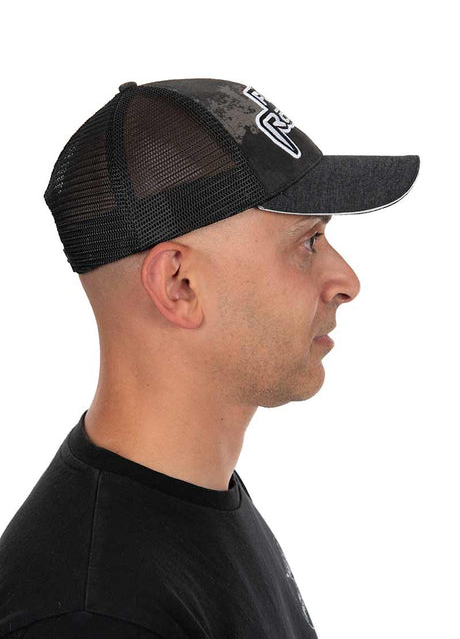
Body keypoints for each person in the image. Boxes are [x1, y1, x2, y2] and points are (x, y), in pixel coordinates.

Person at [0, 79, 420, 638]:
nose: (347, 281)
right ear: (179, 284)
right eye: (307, 242)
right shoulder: (93, 614)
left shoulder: (197, 500)